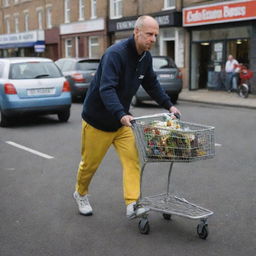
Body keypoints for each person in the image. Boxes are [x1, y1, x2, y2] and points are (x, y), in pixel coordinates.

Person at [73, 15, 181, 219]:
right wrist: (121, 113)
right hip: (98, 120)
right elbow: (107, 89)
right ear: (136, 32)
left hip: (123, 122)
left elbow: (152, 84)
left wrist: (169, 105)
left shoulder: (145, 58)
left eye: (156, 35)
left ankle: (132, 204)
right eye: (149, 34)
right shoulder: (115, 54)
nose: (153, 39)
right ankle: (80, 193)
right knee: (89, 165)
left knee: (132, 160)